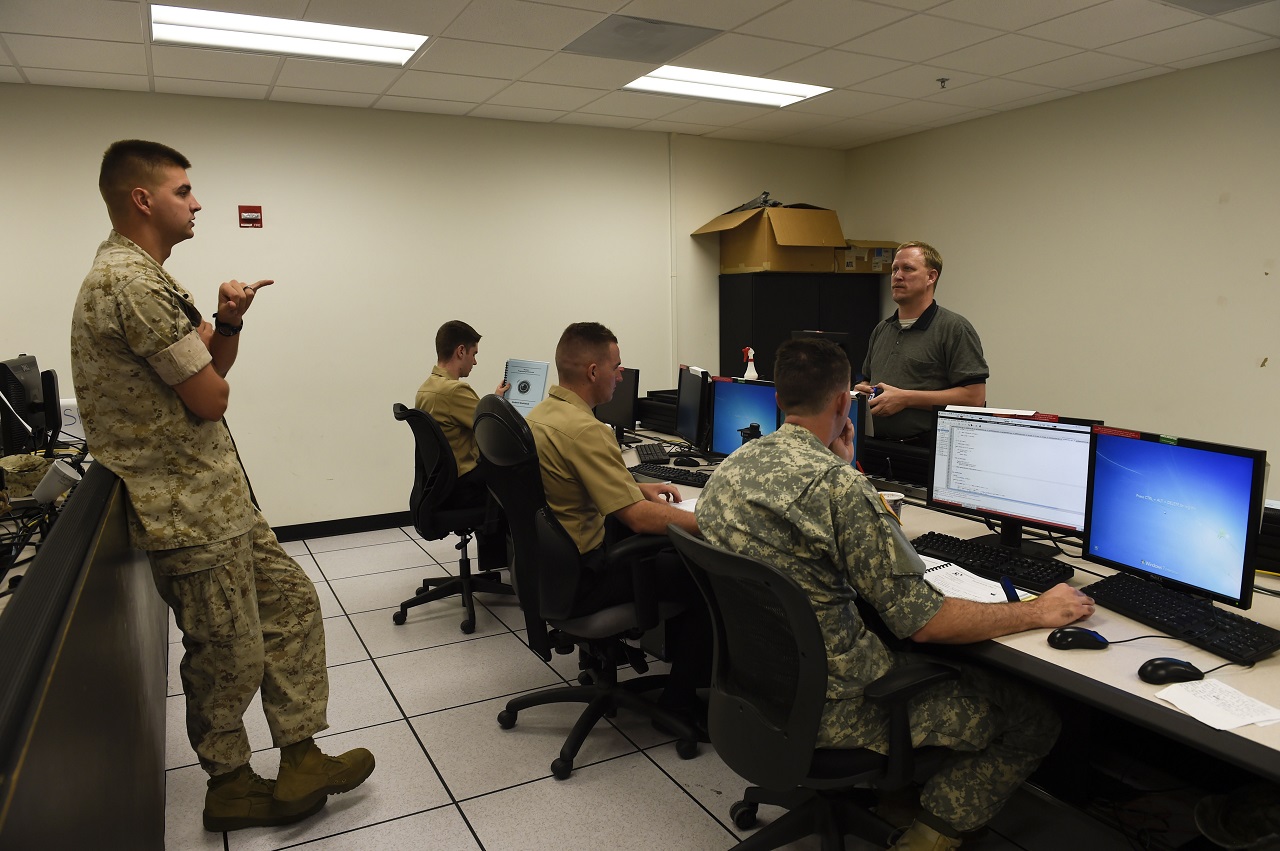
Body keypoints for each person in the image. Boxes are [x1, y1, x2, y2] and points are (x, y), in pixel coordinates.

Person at [69, 140, 374, 833]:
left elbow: (202, 367)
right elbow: (210, 398)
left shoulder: (145, 277)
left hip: (216, 500)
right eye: (183, 190)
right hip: (186, 511)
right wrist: (214, 350)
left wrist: (227, 318)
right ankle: (231, 784)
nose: (197, 201)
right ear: (142, 200)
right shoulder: (130, 284)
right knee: (227, 651)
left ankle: (301, 754)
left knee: (289, 604)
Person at [697, 337, 1096, 850]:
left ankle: (896, 796)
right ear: (844, 402)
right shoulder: (837, 489)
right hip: (841, 708)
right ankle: (931, 834)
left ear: (779, 399)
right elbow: (927, 623)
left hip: (764, 691)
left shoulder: (731, 469)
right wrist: (1037, 609)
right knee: (1035, 718)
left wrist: (842, 467)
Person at [525, 322, 707, 727]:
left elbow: (578, 485)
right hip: (585, 579)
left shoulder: (542, 416)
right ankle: (681, 700)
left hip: (548, 571)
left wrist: (636, 487)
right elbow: (642, 522)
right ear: (593, 372)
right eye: (617, 367)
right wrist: (713, 520)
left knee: (659, 548)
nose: (621, 375)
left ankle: (604, 659)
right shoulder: (587, 430)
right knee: (701, 574)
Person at [855, 241, 988, 442]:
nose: (897, 276)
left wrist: (906, 399)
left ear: (931, 277)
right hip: (875, 447)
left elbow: (974, 398)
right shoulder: (882, 329)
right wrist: (861, 391)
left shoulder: (954, 328)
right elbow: (867, 380)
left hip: (924, 451)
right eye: (894, 270)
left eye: (907, 268)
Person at [415, 320, 509, 566]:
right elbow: (493, 429)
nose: (475, 362)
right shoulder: (455, 391)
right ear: (460, 351)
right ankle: (525, 573)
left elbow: (476, 417)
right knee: (522, 482)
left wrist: (493, 400)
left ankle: (496, 561)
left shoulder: (426, 389)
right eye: (474, 354)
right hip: (464, 489)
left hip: (442, 488)